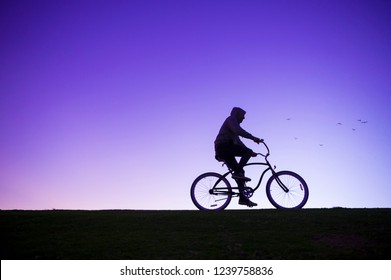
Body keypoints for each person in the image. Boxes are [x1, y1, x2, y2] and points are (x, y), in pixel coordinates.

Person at [214, 107, 263, 207]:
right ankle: (238, 174)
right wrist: (253, 138)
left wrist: (250, 152)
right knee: (239, 171)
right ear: (237, 114)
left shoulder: (233, 130)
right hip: (223, 147)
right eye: (243, 115)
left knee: (240, 172)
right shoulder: (231, 119)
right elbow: (238, 130)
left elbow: (239, 143)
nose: (244, 118)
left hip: (226, 149)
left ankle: (243, 199)